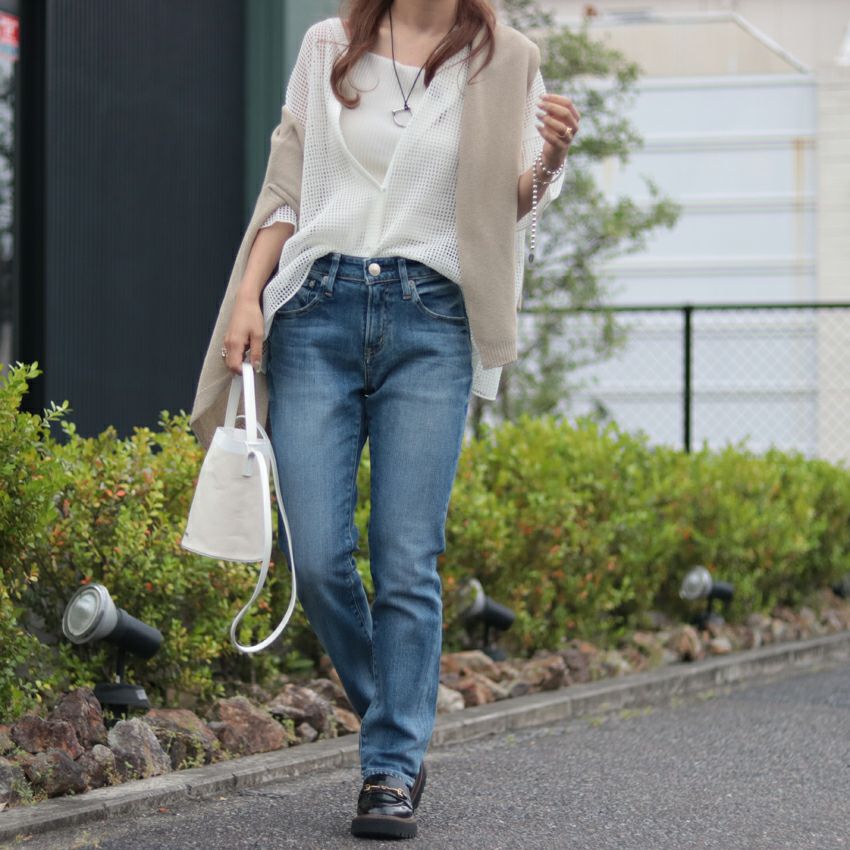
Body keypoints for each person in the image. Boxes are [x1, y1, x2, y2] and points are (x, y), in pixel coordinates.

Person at [216, 0, 578, 840]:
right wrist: (247, 298)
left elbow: (501, 206)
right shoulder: (328, 44)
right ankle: (399, 716)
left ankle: (388, 768)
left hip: (432, 318)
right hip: (317, 307)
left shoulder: (507, 59)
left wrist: (552, 156)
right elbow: (285, 187)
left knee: (406, 557)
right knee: (315, 553)